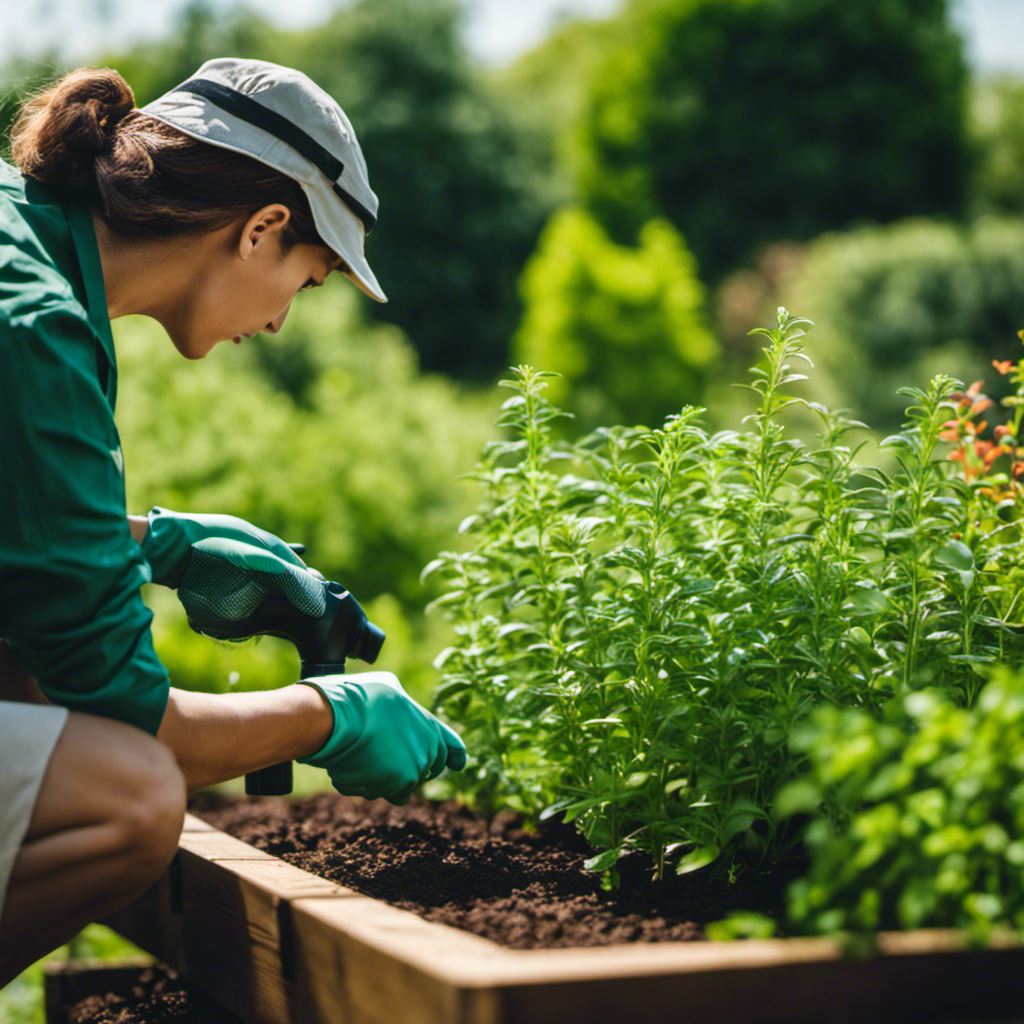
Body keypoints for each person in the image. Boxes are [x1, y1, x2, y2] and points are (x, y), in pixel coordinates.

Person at [0, 57, 467, 985]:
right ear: (261, 230)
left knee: (24, 677)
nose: (286, 321)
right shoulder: (37, 330)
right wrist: (324, 717)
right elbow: (127, 714)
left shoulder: (23, 243)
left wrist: (152, 541)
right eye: (312, 280)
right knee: (127, 801)